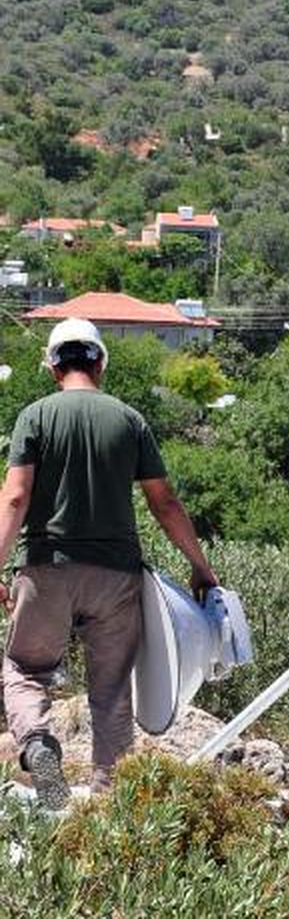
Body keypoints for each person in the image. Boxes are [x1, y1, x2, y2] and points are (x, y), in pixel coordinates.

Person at [0, 317, 218, 809]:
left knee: (24, 670)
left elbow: (15, 498)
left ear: (54, 367)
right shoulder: (129, 419)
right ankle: (110, 807)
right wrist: (200, 567)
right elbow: (165, 504)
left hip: (46, 567)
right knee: (113, 689)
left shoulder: (34, 417)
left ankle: (38, 746)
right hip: (116, 577)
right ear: (100, 362)